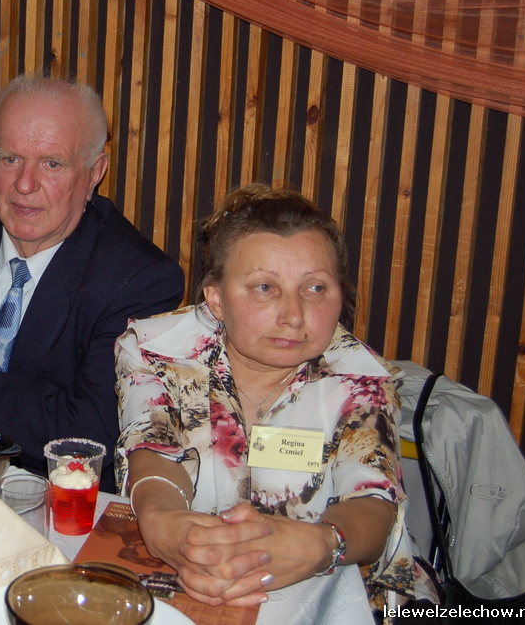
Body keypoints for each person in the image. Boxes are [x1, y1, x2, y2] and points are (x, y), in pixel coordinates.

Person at [115, 184, 431, 619]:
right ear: (216, 299)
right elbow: (153, 449)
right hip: (196, 586)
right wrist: (161, 521)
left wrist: (323, 543)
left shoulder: (360, 378)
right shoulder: (156, 351)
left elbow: (375, 503)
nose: (294, 315)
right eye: (264, 287)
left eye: (315, 288)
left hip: (343, 600)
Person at [0, 75, 184, 491]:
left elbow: (88, 435)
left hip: (59, 502)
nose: (24, 184)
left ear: (95, 172)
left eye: (51, 164)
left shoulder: (139, 279)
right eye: (10, 159)